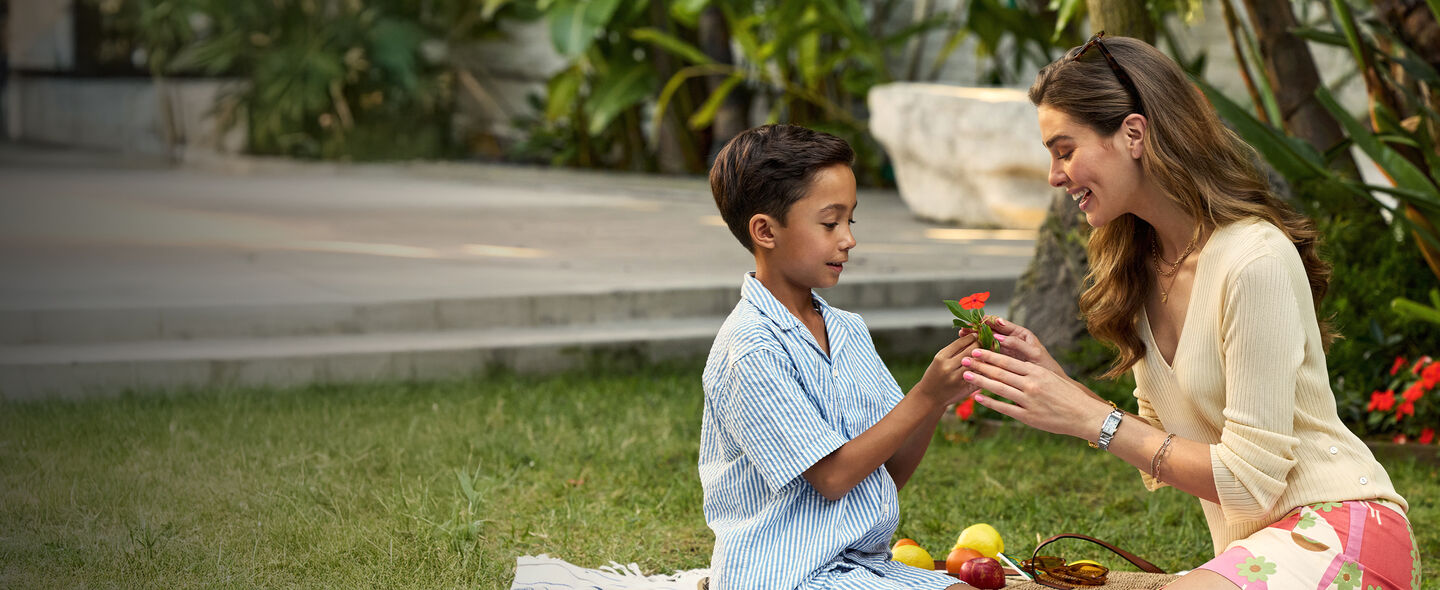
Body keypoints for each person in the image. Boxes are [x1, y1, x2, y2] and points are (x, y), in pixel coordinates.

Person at [960, 34, 1419, 589]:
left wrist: (1092, 420)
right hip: (1255, 556)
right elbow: (1159, 442)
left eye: (1065, 150)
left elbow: (1253, 484)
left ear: (1133, 134)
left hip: (1343, 532)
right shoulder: (1139, 266)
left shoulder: (1253, 259)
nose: (1056, 176)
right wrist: (1066, 395)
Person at [698, 124, 978, 590]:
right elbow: (832, 477)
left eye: (851, 220)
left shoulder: (847, 330)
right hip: (781, 575)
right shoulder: (750, 350)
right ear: (765, 231)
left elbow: (886, 473)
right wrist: (924, 394)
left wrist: (940, 398)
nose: (848, 239)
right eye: (830, 223)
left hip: (862, 567)